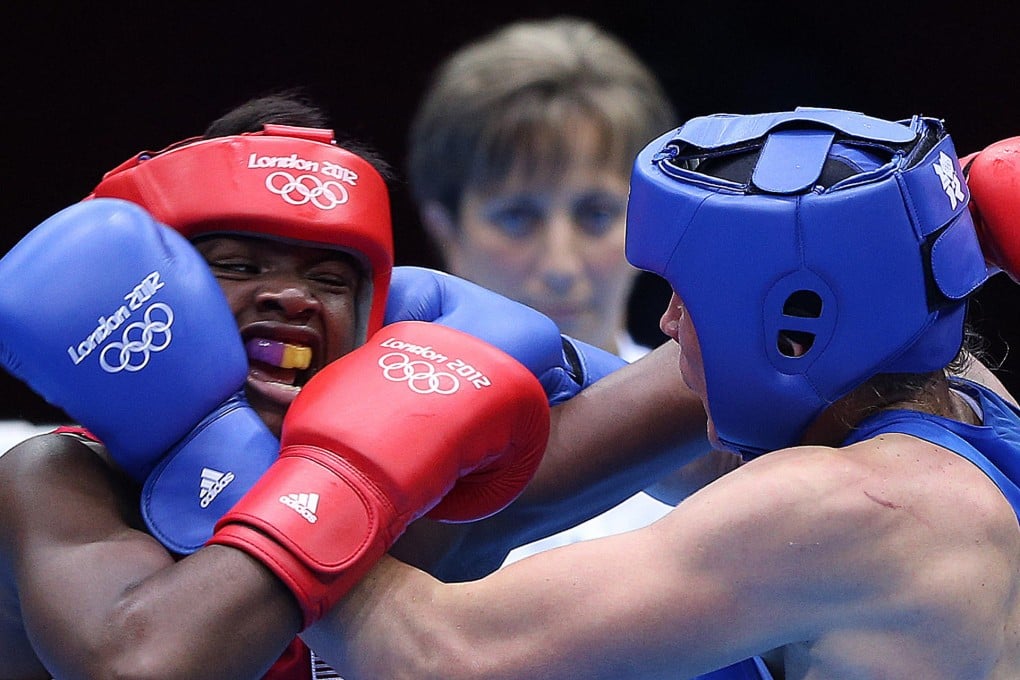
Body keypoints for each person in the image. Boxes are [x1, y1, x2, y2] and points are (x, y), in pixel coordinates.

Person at [0, 94, 712, 679]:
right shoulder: (59, 479)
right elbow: (140, 666)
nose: (290, 298)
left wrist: (561, 357)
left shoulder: (433, 485)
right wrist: (339, 473)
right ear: (150, 289)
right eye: (240, 268)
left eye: (328, 279)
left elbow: (719, 405)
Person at [299, 109, 1020, 679]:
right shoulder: (966, 401)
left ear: (791, 327)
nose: (666, 322)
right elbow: (677, 453)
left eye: (687, 298)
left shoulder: (851, 509)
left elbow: (438, 655)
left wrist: (247, 464)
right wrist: (503, 354)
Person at [407, 16, 680, 562]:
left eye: (597, 214)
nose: (560, 265)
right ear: (445, 230)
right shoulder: (382, 458)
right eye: (516, 218)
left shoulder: (721, 439)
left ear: (649, 221)